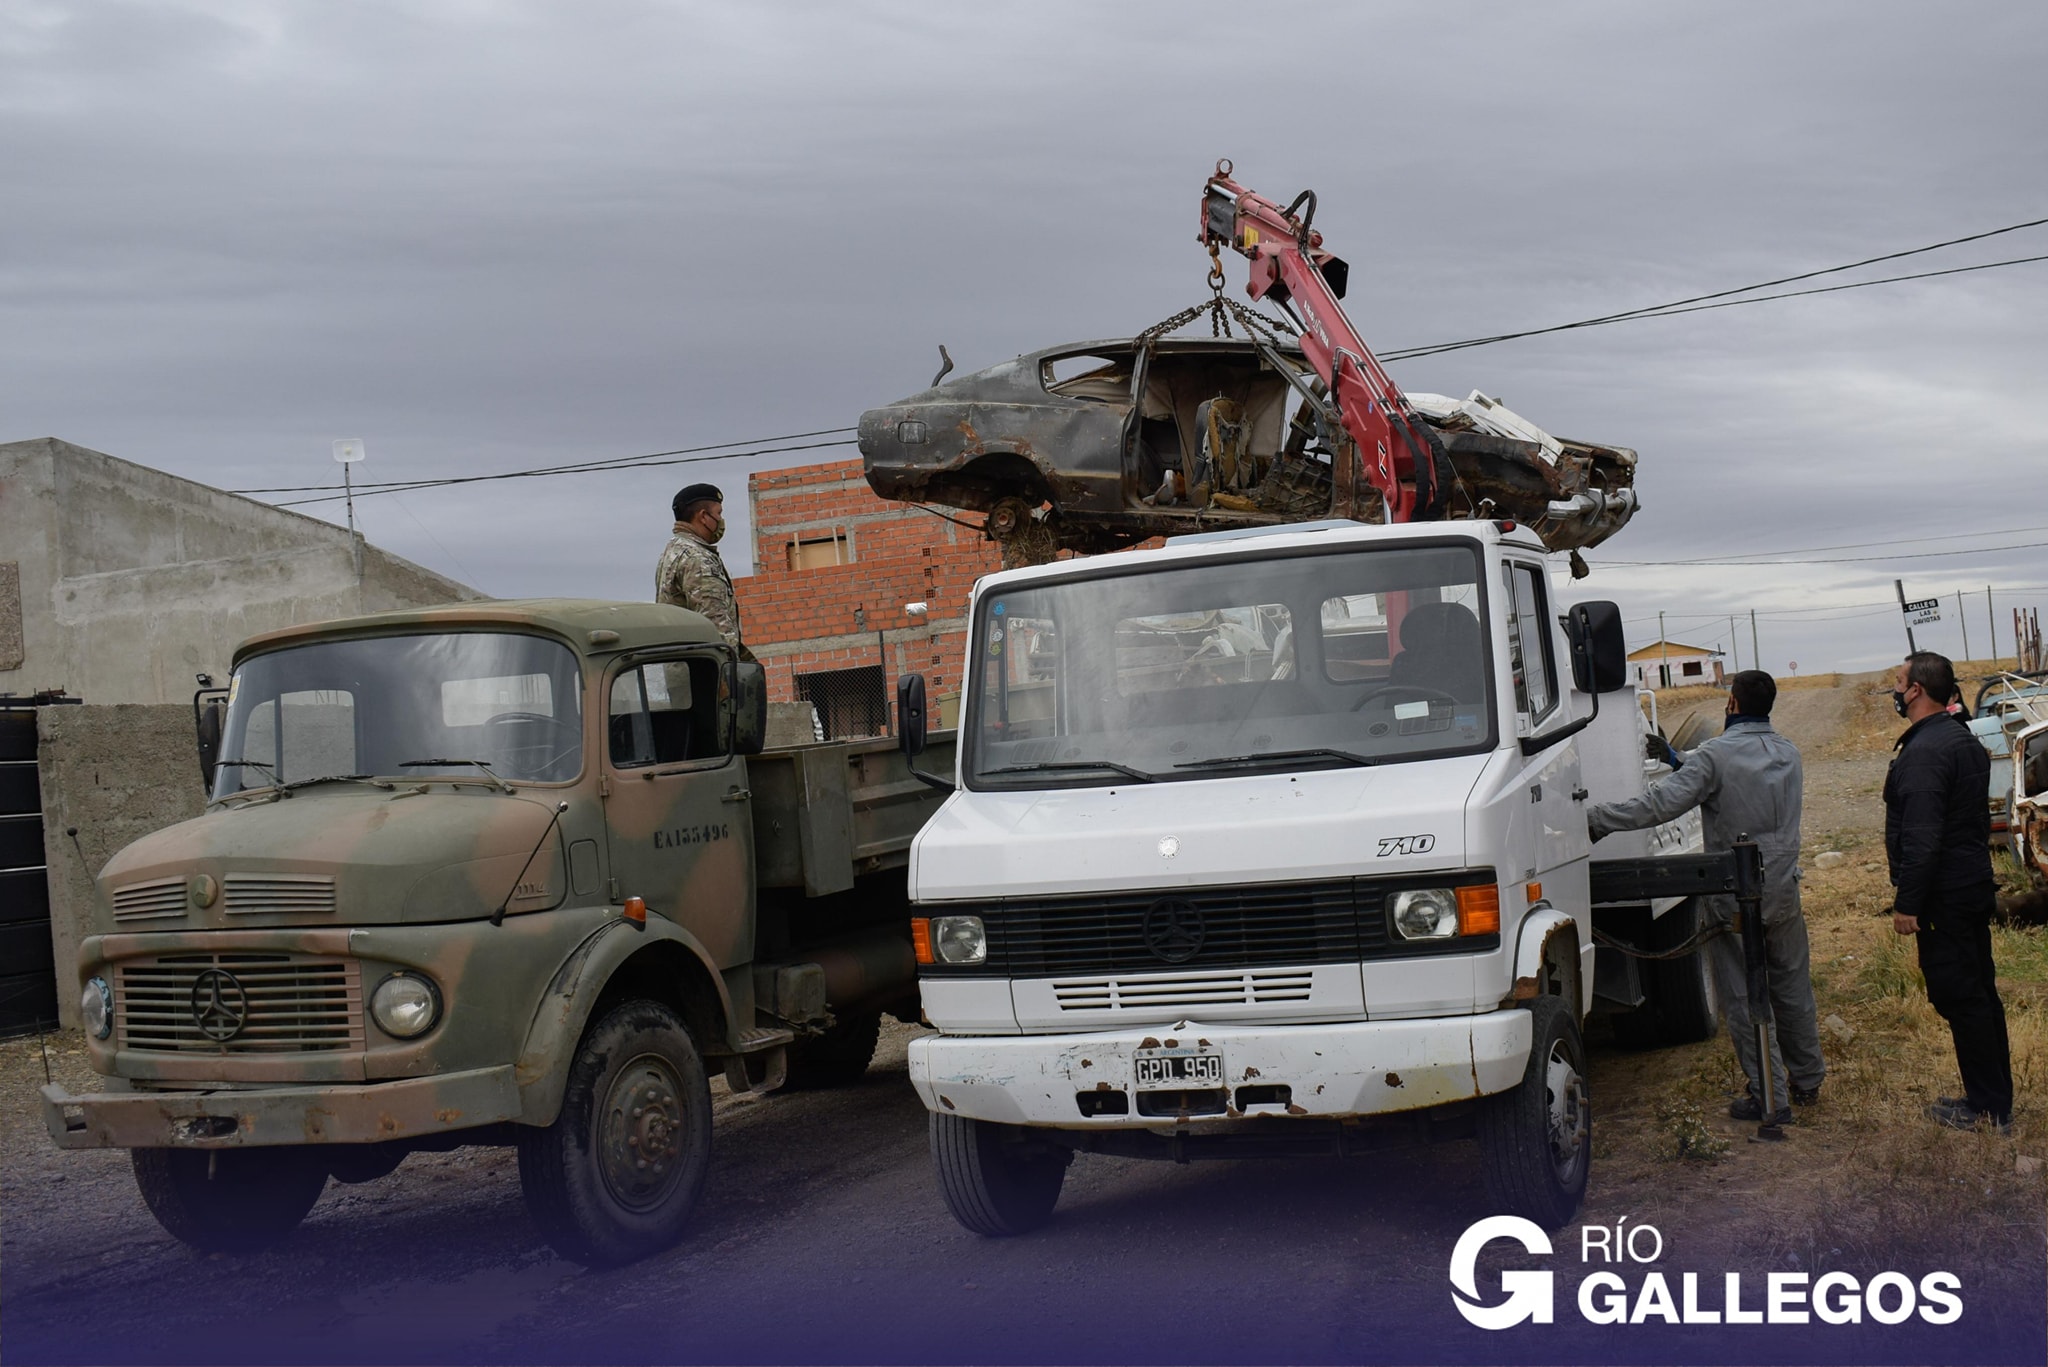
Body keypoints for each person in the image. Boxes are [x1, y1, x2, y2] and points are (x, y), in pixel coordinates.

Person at [1586, 670, 1825, 1124]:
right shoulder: (1788, 752)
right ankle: (1808, 1080)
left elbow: (1659, 805)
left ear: (1731, 703)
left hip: (1738, 896)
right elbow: (1738, 779)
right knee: (1792, 987)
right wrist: (1679, 759)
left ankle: (1768, 1095)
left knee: (1741, 994)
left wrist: (1597, 818)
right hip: (1784, 889)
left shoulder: (1715, 756)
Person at [1886, 651, 2012, 1133]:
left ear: (1917, 690)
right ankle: (1992, 1099)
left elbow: (1922, 838)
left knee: (1962, 997)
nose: (1895, 689)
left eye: (1899, 681)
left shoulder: (1926, 752)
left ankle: (1988, 1110)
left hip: (1946, 896)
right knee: (1979, 994)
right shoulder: (1959, 738)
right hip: (1970, 885)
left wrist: (1908, 904)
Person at [656, 483, 755, 663]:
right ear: (703, 516)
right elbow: (717, 629)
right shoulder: (697, 558)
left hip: (684, 671)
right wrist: (732, 673)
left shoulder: (672, 551)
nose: (721, 520)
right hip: (707, 675)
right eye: (718, 513)